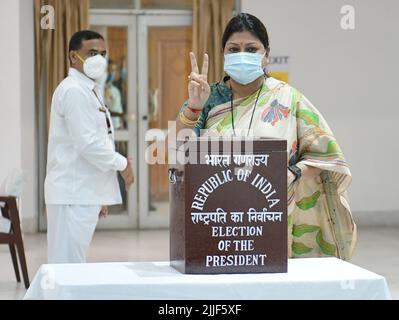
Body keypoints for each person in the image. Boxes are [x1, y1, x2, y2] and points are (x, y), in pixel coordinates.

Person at [176, 13, 357, 259]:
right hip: (218, 218)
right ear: (224, 53)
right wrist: (194, 107)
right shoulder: (208, 98)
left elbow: (327, 156)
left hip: (273, 216)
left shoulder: (289, 99)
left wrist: (292, 173)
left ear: (266, 54)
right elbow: (181, 153)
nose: (242, 54)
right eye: (234, 49)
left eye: (251, 49)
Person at [44, 30, 134, 264]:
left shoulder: (89, 89)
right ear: (74, 57)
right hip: (72, 193)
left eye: (103, 54)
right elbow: (87, 144)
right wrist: (122, 164)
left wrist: (99, 195)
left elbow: (98, 138)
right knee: (66, 268)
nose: (99, 59)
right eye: (92, 53)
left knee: (73, 265)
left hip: (83, 193)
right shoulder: (74, 90)